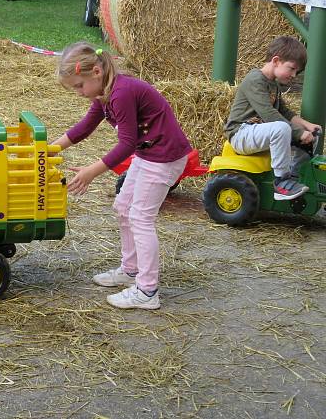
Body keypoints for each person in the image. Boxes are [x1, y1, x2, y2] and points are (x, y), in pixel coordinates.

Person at [52, 43, 192, 310]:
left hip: (164, 157)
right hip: (149, 154)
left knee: (141, 217)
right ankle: (131, 270)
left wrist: (91, 172)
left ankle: (147, 291)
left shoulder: (121, 93)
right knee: (124, 207)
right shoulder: (104, 95)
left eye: (79, 86)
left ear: (96, 72)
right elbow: (83, 129)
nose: (79, 93)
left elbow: (127, 143)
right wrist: (48, 150)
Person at [224, 36, 320, 201]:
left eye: (296, 72)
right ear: (276, 60)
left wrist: (307, 125)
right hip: (241, 133)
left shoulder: (273, 84)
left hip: (258, 132)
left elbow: (285, 112)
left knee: (313, 132)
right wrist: (297, 133)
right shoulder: (255, 80)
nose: (294, 75)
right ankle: (281, 182)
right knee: (281, 128)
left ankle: (293, 175)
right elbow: (268, 114)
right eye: (292, 69)